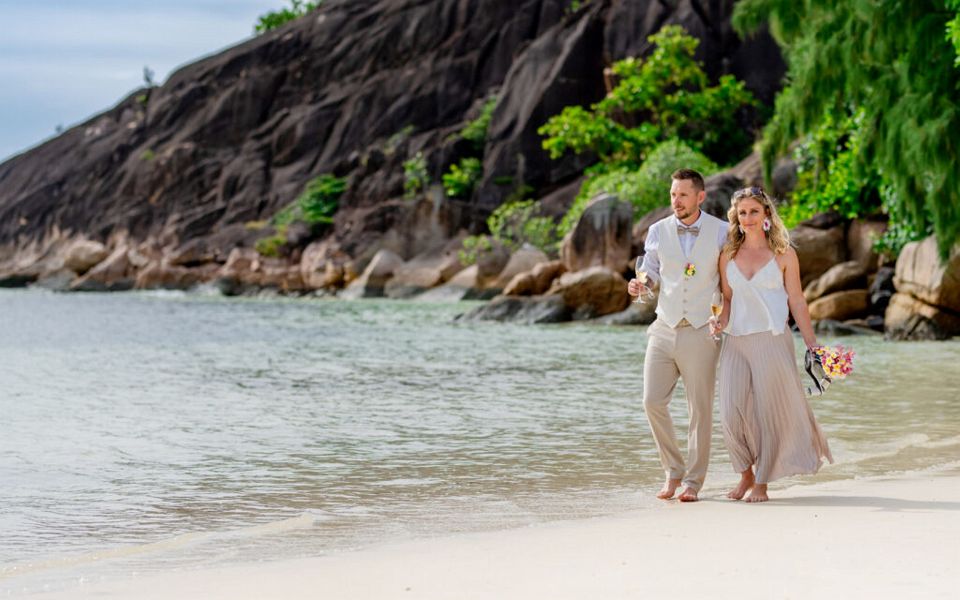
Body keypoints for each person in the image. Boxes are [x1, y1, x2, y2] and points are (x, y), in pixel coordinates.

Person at [709, 187, 833, 502]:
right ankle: (745, 474)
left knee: (769, 412)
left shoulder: (784, 254)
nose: (747, 218)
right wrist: (719, 322)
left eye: (753, 211)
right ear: (735, 217)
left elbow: (797, 301)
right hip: (735, 340)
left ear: (766, 215)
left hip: (772, 339)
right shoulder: (727, 255)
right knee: (731, 411)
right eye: (742, 213)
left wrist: (812, 345)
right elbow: (727, 298)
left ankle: (762, 481)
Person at [627, 169, 727, 502]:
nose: (676, 201)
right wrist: (642, 283)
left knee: (700, 409)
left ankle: (693, 483)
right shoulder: (657, 231)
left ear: (700, 196)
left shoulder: (722, 233)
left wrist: (726, 317)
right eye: (673, 194)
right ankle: (672, 470)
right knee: (651, 401)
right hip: (663, 327)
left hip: (701, 329)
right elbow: (650, 270)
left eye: (683, 195)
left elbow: (729, 283)